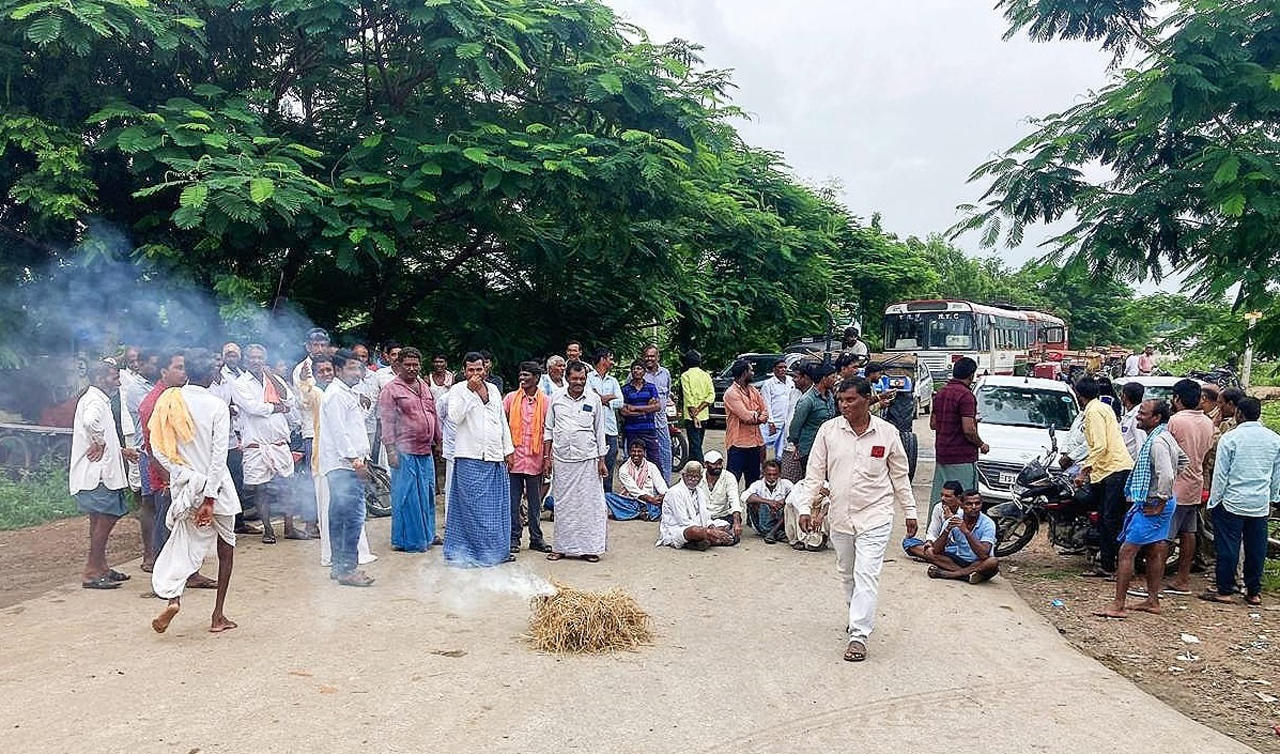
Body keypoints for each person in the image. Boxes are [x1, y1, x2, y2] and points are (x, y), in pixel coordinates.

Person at [801, 377, 917, 663]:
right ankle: (856, 614)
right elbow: (814, 473)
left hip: (876, 515)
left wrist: (910, 511)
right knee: (847, 572)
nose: (844, 405)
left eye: (851, 400)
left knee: (867, 573)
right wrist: (805, 506)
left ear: (868, 399)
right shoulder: (829, 431)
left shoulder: (887, 434)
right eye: (841, 400)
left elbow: (900, 476)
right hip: (840, 516)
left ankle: (859, 635)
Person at [147, 349, 240, 633]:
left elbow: (158, 449)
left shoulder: (169, 400)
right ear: (212, 374)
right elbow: (218, 457)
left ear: (186, 371)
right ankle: (218, 615)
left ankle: (174, 598)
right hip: (216, 489)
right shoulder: (216, 405)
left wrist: (181, 473)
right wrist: (210, 497)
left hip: (186, 487)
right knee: (227, 546)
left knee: (182, 544)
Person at [1094, 399, 1185, 617]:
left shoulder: (1158, 443)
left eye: (1143, 414)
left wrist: (1161, 499)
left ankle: (1118, 605)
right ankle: (1152, 601)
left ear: (1156, 418)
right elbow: (1183, 461)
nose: (1138, 416)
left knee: (1127, 551)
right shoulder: (1163, 437)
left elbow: (1168, 473)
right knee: (1154, 551)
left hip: (1153, 504)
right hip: (1157, 501)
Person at [1203, 397, 1280, 605]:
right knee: (1257, 549)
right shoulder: (1274, 439)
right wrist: (1273, 498)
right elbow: (1276, 474)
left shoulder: (1231, 438)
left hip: (1232, 501)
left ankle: (1225, 590)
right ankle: (1254, 591)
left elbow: (1221, 474)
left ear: (1239, 414)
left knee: (1228, 547)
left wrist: (1214, 500)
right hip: (1260, 503)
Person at [70, 359, 137, 589]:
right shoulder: (94, 400)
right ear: (100, 379)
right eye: (113, 376)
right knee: (107, 516)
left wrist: (120, 450)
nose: (117, 380)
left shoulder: (98, 398)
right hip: (98, 473)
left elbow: (100, 429)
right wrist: (99, 442)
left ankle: (102, 567)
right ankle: (91, 570)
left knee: (99, 520)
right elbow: (91, 423)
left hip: (100, 471)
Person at [445, 352, 516, 567]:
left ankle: (495, 552)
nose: (476, 374)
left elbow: (501, 420)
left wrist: (508, 449)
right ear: (464, 371)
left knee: (496, 508)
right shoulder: (458, 390)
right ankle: (474, 553)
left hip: (494, 456)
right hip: (470, 457)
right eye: (471, 370)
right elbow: (454, 417)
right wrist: (470, 392)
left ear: (485, 369)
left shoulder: (493, 389)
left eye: (479, 369)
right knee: (474, 509)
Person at [234, 344, 307, 544]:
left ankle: (290, 528)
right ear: (245, 360)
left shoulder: (274, 380)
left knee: (288, 486)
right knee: (260, 489)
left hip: (280, 443)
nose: (256, 361)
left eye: (260, 357)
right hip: (256, 445)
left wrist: (272, 377)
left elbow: (289, 400)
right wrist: (277, 408)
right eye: (251, 357)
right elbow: (252, 407)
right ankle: (268, 529)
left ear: (265, 360)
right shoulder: (240, 383)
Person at [308, 356, 376, 569]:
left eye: (359, 368)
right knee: (352, 518)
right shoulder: (336, 395)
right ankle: (347, 568)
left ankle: (340, 567)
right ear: (338, 369)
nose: (357, 373)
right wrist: (356, 461)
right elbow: (340, 433)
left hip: (343, 465)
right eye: (352, 368)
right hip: (345, 466)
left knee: (339, 517)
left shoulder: (344, 393)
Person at [543, 361, 609, 562]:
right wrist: (547, 458)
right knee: (563, 505)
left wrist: (601, 461)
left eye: (582, 379)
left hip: (588, 460)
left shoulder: (594, 399)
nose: (578, 382)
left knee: (589, 505)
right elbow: (548, 430)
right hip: (563, 460)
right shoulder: (555, 398)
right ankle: (561, 547)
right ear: (567, 378)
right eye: (574, 378)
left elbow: (600, 432)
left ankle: (591, 548)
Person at [379, 347, 441, 553]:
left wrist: (438, 441)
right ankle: (409, 541)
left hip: (425, 450)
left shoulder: (424, 385)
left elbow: (434, 415)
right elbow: (386, 422)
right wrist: (390, 451)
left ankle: (428, 535)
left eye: (416, 365)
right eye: (408, 365)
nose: (412, 369)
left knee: (427, 495)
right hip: (403, 450)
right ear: (399, 365)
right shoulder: (391, 390)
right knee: (408, 497)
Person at [1072, 376, 1136, 578]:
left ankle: (1109, 565)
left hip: (1112, 470)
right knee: (1105, 518)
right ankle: (1105, 560)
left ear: (1079, 395)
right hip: (1111, 469)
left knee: (1109, 520)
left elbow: (1100, 445)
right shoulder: (1103, 407)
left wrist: (1083, 470)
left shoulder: (1093, 412)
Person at [1164, 378, 1215, 595]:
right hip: (1195, 482)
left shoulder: (1176, 421)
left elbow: (1167, 454)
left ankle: (1153, 581)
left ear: (1177, 398)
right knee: (1189, 533)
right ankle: (1182, 578)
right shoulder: (1207, 423)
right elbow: (1205, 458)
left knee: (1164, 535)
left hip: (1176, 484)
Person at [504, 361, 552, 554]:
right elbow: (501, 424)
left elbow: (549, 432)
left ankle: (536, 538)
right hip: (514, 459)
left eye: (527, 375)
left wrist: (548, 458)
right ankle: (513, 538)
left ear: (537, 378)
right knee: (512, 502)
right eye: (521, 375)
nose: (522, 378)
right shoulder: (510, 398)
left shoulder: (547, 402)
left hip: (536, 458)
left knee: (535, 502)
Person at [929, 357, 987, 515]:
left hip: (943, 454)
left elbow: (933, 424)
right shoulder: (966, 396)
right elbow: (968, 430)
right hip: (962, 456)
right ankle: (960, 535)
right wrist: (981, 444)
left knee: (941, 499)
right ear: (971, 375)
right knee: (965, 502)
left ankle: (935, 534)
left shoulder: (941, 393)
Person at [922, 490, 1000, 584]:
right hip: (959, 560)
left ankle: (949, 574)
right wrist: (947, 530)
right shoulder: (954, 519)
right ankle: (966, 575)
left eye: (977, 503)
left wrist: (966, 532)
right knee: (929, 552)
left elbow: (983, 554)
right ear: (961, 505)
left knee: (992, 562)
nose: (974, 507)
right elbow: (937, 551)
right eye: (969, 504)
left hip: (979, 562)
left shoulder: (988, 523)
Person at [656, 461, 736, 550]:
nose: (693, 479)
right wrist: (710, 531)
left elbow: (705, 517)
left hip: (700, 525)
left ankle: (703, 540)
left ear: (701, 478)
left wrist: (711, 527)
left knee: (726, 526)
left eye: (696, 477)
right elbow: (683, 521)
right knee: (695, 531)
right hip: (678, 529)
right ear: (683, 476)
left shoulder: (699, 492)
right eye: (690, 476)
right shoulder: (674, 492)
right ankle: (710, 539)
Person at [723, 359, 768, 488]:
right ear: (744, 373)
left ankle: (752, 509)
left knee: (754, 484)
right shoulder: (731, 393)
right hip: (738, 445)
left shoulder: (753, 390)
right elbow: (746, 416)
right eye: (751, 370)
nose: (753, 373)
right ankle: (731, 508)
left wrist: (757, 416)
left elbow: (765, 411)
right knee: (731, 483)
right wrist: (758, 416)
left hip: (755, 444)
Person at [788, 362, 837, 476]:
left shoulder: (829, 396)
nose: (835, 380)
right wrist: (797, 445)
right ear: (824, 379)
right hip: (810, 448)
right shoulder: (807, 400)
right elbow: (795, 427)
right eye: (832, 377)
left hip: (828, 447)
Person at [587, 348, 624, 492]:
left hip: (610, 428)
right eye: (611, 359)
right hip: (592, 428)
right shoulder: (588, 378)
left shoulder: (613, 381)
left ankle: (607, 495)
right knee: (591, 463)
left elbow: (620, 402)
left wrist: (603, 399)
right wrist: (609, 397)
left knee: (610, 460)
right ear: (603, 359)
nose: (613, 362)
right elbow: (590, 399)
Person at [606, 439, 667, 521]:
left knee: (668, 498)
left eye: (639, 451)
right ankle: (644, 512)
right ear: (629, 452)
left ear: (644, 452)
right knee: (607, 496)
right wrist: (651, 499)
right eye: (633, 451)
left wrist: (662, 497)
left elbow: (661, 486)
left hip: (650, 503)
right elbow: (634, 491)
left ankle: (638, 512)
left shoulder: (651, 466)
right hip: (630, 501)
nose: (636, 454)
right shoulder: (624, 469)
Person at [902, 480, 963, 561]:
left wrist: (950, 519)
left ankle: (932, 557)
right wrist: (929, 542)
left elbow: (962, 539)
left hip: (956, 546)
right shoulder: (938, 507)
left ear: (958, 498)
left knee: (957, 551)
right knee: (908, 542)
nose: (943, 499)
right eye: (942, 495)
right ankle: (936, 557)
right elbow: (932, 531)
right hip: (938, 546)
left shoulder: (964, 510)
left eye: (947, 496)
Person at [642, 344, 674, 483]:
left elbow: (667, 394)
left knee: (665, 454)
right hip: (643, 423)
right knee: (642, 455)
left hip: (661, 422)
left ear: (658, 357)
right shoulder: (637, 373)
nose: (649, 359)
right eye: (647, 356)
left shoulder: (665, 373)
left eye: (652, 356)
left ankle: (665, 486)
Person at [620, 358, 661, 467]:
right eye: (633, 369)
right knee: (633, 460)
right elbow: (623, 411)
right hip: (631, 430)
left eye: (639, 368)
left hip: (648, 428)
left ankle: (656, 483)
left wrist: (634, 407)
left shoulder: (651, 387)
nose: (636, 371)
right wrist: (645, 410)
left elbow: (657, 406)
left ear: (644, 371)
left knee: (654, 459)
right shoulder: (625, 389)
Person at [742, 459, 793, 543]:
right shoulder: (757, 484)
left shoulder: (786, 484)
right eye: (769, 474)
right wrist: (768, 502)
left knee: (790, 504)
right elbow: (744, 496)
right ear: (763, 473)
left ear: (780, 474)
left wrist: (783, 501)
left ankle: (773, 532)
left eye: (775, 474)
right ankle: (777, 533)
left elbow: (796, 495)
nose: (772, 477)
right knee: (756, 502)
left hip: (781, 519)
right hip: (763, 523)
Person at [780, 361, 814, 481]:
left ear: (806, 378)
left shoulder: (814, 396)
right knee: (788, 484)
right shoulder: (793, 393)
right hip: (790, 446)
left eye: (796, 377)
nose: (793, 380)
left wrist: (797, 445)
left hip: (805, 448)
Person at [679, 350, 714, 463]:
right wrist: (700, 409)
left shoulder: (685, 375)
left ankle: (702, 465)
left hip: (691, 416)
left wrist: (694, 414)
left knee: (695, 445)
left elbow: (688, 396)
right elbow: (711, 395)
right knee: (698, 442)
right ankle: (693, 465)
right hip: (704, 415)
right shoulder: (706, 375)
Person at [700, 450, 742, 543]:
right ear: (706, 465)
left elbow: (734, 500)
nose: (718, 467)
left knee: (726, 528)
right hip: (703, 517)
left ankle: (709, 538)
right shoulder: (699, 477)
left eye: (719, 463)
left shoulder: (729, 477)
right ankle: (714, 537)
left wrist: (736, 522)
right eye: (714, 464)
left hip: (723, 516)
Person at [785, 478, 831, 552]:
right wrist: (805, 511)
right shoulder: (800, 485)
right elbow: (791, 500)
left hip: (818, 514)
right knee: (788, 506)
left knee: (831, 509)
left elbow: (829, 502)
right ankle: (796, 540)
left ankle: (821, 538)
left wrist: (820, 516)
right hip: (803, 513)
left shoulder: (826, 485)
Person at [759, 359, 792, 460]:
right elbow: (766, 403)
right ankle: (762, 468)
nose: (783, 370)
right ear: (774, 370)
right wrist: (770, 422)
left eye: (785, 367)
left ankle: (779, 472)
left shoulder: (791, 381)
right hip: (772, 423)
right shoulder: (768, 384)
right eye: (780, 367)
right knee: (762, 445)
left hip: (786, 423)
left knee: (782, 452)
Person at [1119, 381, 1147, 458]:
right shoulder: (1129, 414)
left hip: (1132, 462)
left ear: (1125, 396)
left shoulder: (1137, 416)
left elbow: (1140, 442)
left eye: (1121, 394)